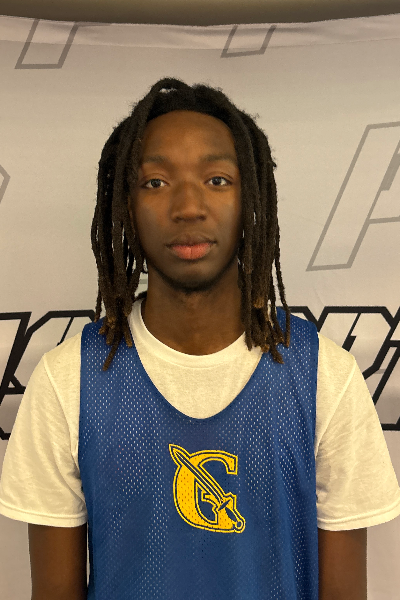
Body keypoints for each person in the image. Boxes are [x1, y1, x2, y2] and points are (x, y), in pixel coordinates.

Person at [1, 78, 400, 600]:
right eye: (155, 182)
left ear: (251, 198)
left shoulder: (326, 378)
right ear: (125, 206)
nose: (188, 206)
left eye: (216, 179)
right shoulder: (67, 381)